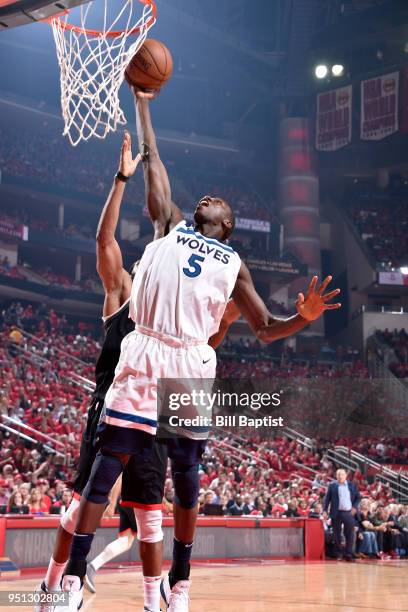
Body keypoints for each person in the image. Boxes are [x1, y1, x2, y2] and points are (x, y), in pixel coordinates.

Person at [57, 87, 341, 612]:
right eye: (206, 198)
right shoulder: (170, 224)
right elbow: (155, 161)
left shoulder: (234, 266)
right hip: (145, 350)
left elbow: (264, 328)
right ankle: (72, 581)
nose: (208, 197)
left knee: (186, 479)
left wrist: (302, 318)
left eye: (218, 202)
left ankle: (178, 585)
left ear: (227, 225)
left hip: (189, 360)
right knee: (105, 466)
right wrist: (143, 102)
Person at [38, 133, 238, 612]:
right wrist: (121, 179)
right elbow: (104, 240)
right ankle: (50, 591)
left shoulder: (178, 306)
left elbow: (203, 344)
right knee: (75, 513)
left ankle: (157, 602)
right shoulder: (123, 289)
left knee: (149, 519)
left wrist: (223, 328)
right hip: (112, 406)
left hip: (156, 404)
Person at [323, 469, 361, 561]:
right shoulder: (332, 485)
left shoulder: (351, 485)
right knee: (336, 534)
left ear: (346, 476)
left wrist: (355, 508)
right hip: (336, 513)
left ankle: (348, 553)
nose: (340, 476)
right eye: (338, 475)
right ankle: (338, 554)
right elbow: (327, 499)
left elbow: (358, 497)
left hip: (348, 513)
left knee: (350, 534)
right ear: (336, 476)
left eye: (342, 475)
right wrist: (324, 510)